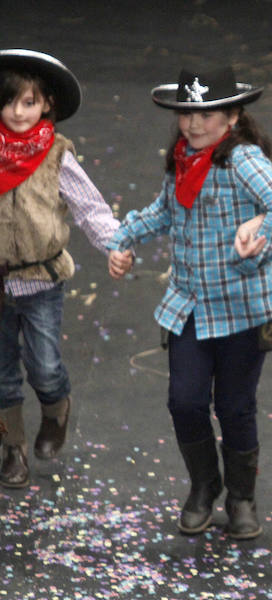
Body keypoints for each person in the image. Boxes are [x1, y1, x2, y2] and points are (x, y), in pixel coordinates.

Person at [106, 66, 272, 539]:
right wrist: (123, 238)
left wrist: (260, 243)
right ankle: (202, 486)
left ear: (231, 117)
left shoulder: (242, 160)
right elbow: (164, 210)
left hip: (242, 307)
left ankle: (241, 497)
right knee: (185, 400)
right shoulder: (182, 159)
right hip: (190, 305)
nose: (194, 125)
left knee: (235, 407)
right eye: (186, 114)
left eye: (207, 114)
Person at [0, 49, 128, 488]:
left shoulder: (56, 155)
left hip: (40, 280)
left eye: (29, 102)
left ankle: (56, 410)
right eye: (9, 101)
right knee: (1, 378)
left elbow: (90, 208)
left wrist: (117, 244)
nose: (18, 111)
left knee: (46, 366)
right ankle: (11, 447)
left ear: (47, 104)